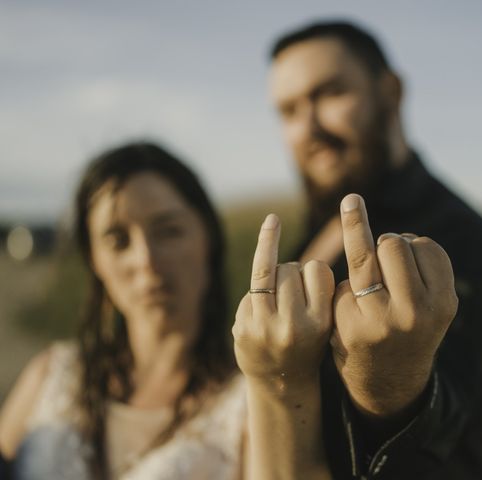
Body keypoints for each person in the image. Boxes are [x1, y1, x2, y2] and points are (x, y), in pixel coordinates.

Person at [268, 20, 482, 479]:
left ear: (390, 91)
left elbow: (450, 420)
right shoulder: (310, 233)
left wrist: (394, 388)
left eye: (330, 94)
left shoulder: (462, 241)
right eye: (288, 111)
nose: (308, 127)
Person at [0, 141, 334, 480]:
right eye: (118, 240)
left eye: (169, 231)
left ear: (208, 240)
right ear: (95, 262)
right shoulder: (51, 376)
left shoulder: (250, 402)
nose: (146, 260)